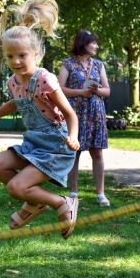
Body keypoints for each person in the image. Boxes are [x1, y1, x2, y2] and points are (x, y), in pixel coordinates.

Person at [0, 0, 80, 239]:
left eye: (22, 56)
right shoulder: (13, 82)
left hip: (55, 146)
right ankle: (35, 202)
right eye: (10, 56)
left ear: (36, 55)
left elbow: (71, 114)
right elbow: (14, 105)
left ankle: (62, 203)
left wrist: (73, 138)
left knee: (16, 186)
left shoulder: (44, 79)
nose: (16, 61)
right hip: (34, 142)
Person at [58, 30, 111, 206]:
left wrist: (96, 90)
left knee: (97, 151)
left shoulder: (98, 65)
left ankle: (100, 194)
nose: (96, 46)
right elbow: (59, 89)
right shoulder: (68, 64)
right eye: (93, 43)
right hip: (76, 113)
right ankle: (73, 192)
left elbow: (107, 90)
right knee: (75, 151)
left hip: (95, 113)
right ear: (83, 44)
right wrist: (81, 92)